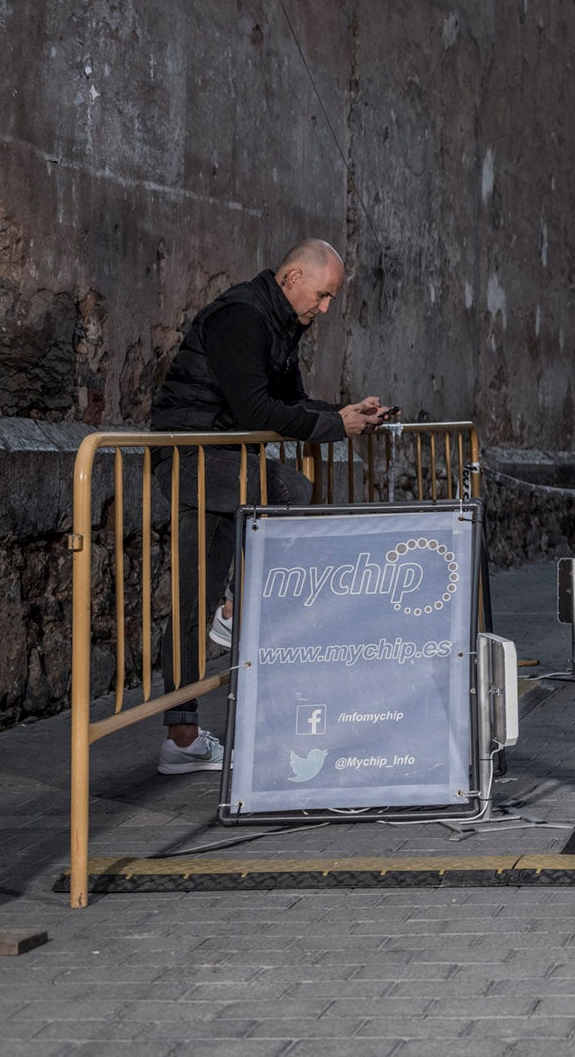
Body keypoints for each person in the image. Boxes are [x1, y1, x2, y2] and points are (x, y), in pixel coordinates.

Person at [146, 239, 394, 773]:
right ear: (292, 279)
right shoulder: (243, 317)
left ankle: (181, 740)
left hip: (218, 461)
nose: (324, 309)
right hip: (189, 456)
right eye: (323, 296)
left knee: (193, 596)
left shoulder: (282, 325)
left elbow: (291, 403)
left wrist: (345, 412)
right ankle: (237, 609)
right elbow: (257, 408)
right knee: (289, 490)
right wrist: (334, 427)